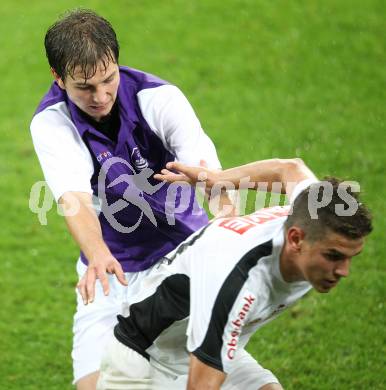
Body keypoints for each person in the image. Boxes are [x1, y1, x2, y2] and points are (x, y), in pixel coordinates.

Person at [30, 9, 236, 390]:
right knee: (92, 385)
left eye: (109, 79)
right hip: (112, 271)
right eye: (85, 87)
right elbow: (72, 198)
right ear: (58, 78)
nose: (101, 95)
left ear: (117, 62)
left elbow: (206, 168)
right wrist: (97, 254)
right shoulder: (51, 123)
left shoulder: (158, 98)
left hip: (183, 257)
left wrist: (224, 213)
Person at [96, 158, 372, 390]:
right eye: (333, 256)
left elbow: (290, 168)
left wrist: (218, 179)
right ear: (296, 239)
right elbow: (201, 385)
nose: (343, 271)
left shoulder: (312, 211)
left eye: (350, 258)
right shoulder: (238, 280)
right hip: (143, 362)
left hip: (211, 341)